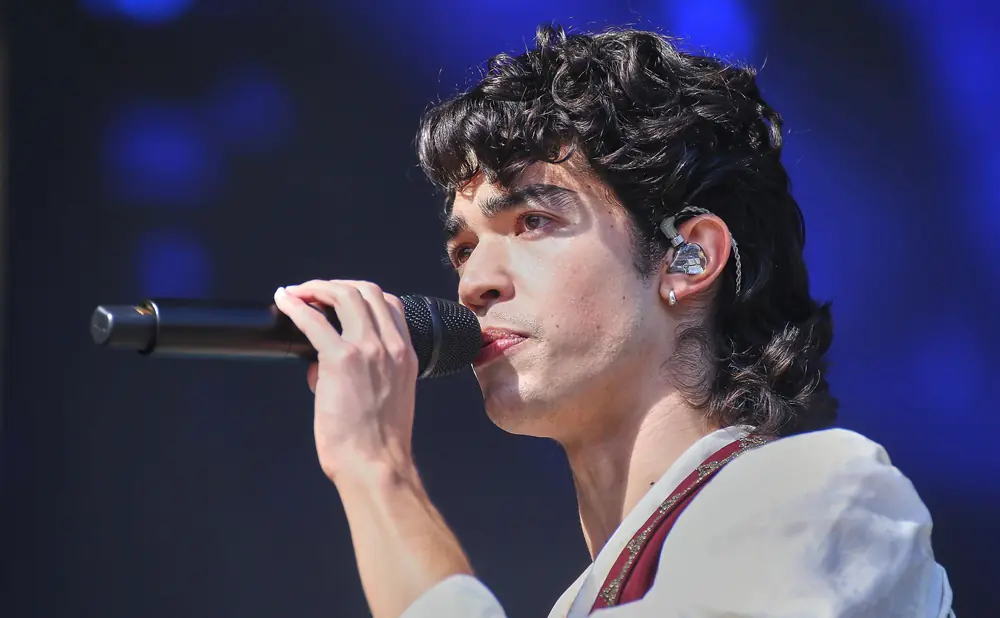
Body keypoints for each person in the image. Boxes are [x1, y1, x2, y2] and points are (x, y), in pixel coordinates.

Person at [272, 24, 955, 618]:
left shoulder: (824, 495)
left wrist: (378, 469)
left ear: (689, 258)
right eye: (464, 248)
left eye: (533, 222)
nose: (474, 281)